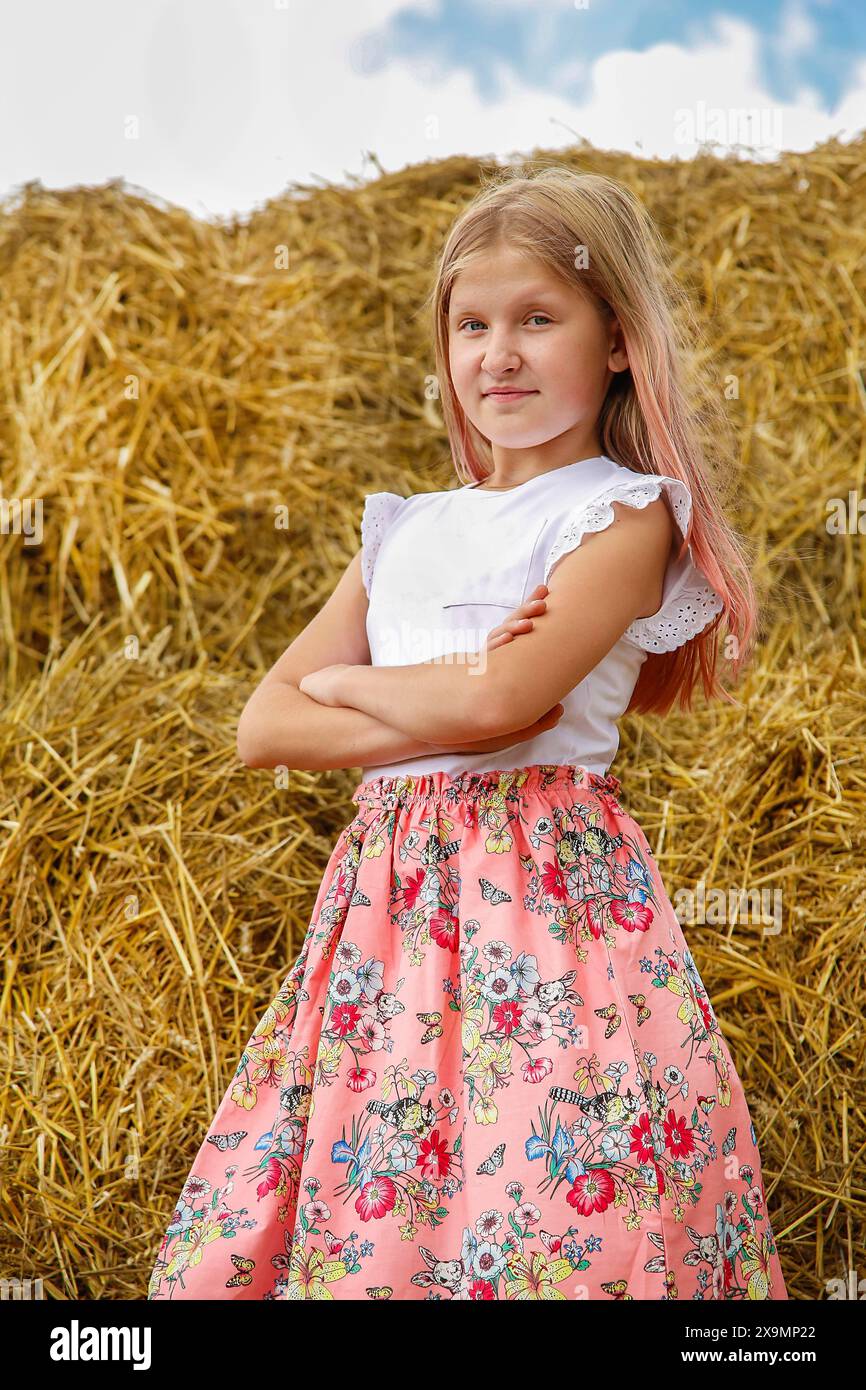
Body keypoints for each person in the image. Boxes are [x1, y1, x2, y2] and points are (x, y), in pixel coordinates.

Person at [147, 167, 788, 1302]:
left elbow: (503, 712)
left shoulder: (620, 515)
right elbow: (263, 723)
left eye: (538, 320)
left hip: (539, 899)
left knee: (549, 1183)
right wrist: (419, 683)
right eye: (470, 324)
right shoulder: (405, 530)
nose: (497, 352)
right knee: (383, 1164)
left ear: (618, 343)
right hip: (385, 900)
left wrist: (364, 689)